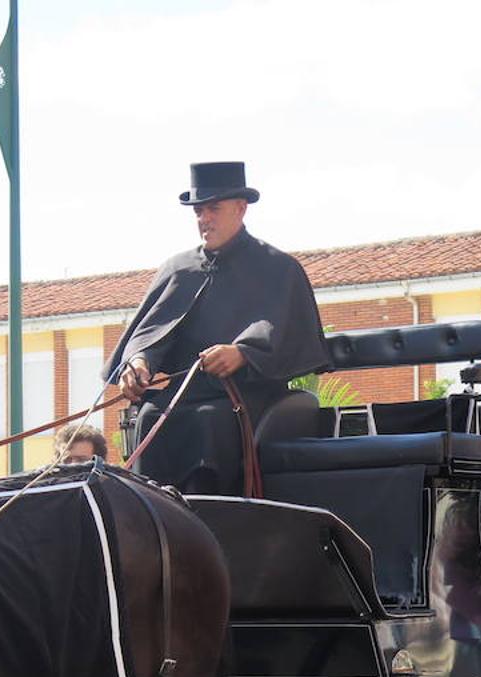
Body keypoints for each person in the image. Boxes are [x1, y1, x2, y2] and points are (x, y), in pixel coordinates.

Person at [105, 161, 330, 494]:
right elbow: (151, 333)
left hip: (249, 394)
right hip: (185, 393)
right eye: (198, 211)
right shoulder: (177, 269)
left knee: (209, 419)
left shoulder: (278, 268)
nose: (204, 218)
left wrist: (243, 353)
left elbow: (285, 336)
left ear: (240, 208)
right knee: (151, 414)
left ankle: (210, 519)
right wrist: (138, 362)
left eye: (213, 208)